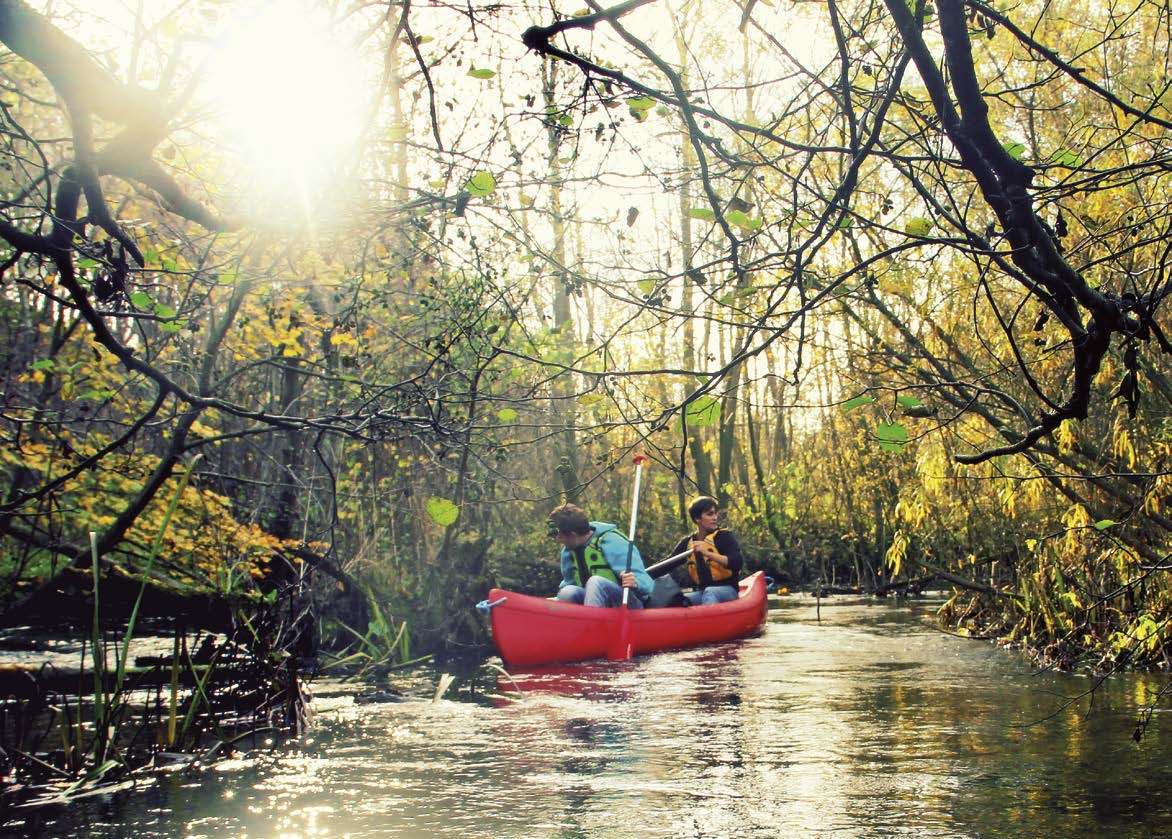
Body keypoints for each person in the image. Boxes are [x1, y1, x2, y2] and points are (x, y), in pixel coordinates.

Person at [548, 503, 653, 608]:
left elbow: (647, 583)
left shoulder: (613, 542)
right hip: (593, 605)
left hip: (628, 604)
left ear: (572, 535)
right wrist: (556, 600)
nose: (557, 540)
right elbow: (569, 583)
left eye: (560, 537)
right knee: (568, 592)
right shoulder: (568, 552)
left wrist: (636, 583)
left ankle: (591, 624)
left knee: (596, 582)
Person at [669, 495, 743, 606]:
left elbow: (737, 562)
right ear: (697, 519)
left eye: (715, 513)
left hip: (728, 591)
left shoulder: (724, 536)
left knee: (711, 592)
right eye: (710, 514)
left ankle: (712, 622)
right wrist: (639, 574)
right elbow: (668, 563)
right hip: (702, 592)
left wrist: (708, 553)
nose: (715, 518)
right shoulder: (688, 542)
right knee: (680, 600)